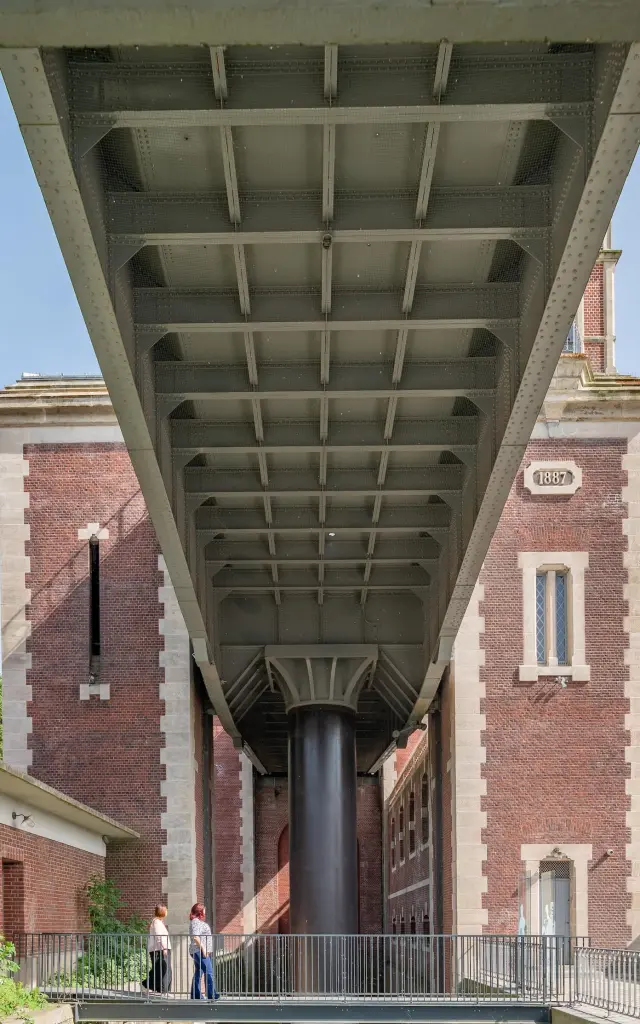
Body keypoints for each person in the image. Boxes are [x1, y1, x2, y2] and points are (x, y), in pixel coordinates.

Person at [189, 903, 219, 1001]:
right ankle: (211, 994)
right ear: (200, 911)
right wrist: (204, 948)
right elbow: (196, 937)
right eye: (204, 909)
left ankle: (195, 995)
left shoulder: (196, 921)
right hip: (199, 951)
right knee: (209, 972)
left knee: (199, 972)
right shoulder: (196, 922)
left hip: (199, 951)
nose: (205, 911)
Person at [142, 904, 171, 994]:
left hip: (160, 949)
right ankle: (147, 985)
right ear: (162, 912)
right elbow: (159, 936)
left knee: (162, 969)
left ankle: (161, 990)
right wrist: (164, 948)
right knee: (161, 970)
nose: (167, 911)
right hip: (159, 949)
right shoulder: (157, 922)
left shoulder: (159, 922)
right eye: (166, 910)